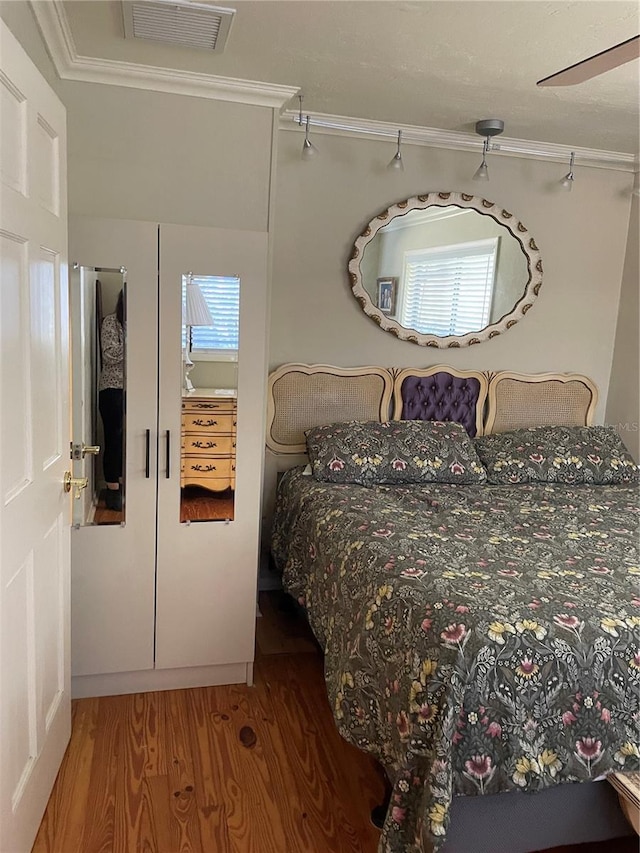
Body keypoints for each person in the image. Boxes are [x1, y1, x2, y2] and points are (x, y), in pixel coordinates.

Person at [98, 289, 124, 511]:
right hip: (112, 389)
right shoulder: (110, 323)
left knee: (134, 437)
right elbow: (110, 355)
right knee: (113, 438)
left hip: (135, 389)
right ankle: (112, 488)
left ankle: (125, 482)